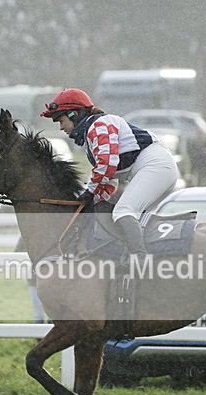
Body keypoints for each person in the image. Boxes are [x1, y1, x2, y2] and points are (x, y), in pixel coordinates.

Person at [40, 88, 179, 269]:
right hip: (157, 169)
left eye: (61, 120)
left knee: (123, 211)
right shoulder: (93, 133)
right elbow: (110, 178)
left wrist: (88, 193)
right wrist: (95, 198)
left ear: (74, 114)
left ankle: (141, 261)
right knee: (130, 216)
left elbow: (106, 164)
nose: (61, 127)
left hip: (156, 167)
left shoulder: (98, 125)